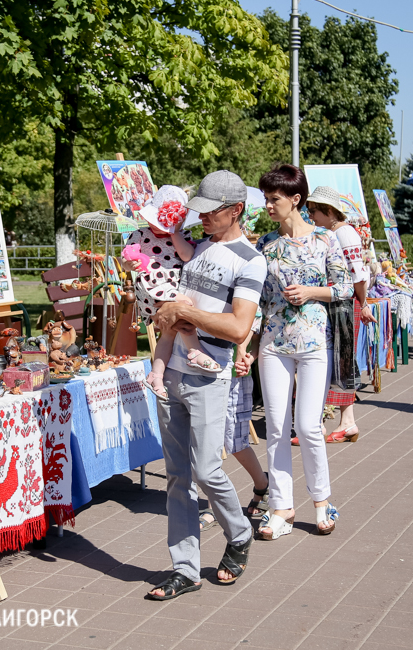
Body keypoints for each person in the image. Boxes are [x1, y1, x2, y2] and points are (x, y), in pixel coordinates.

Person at [147, 170, 266, 599]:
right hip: (175, 372)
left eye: (210, 212)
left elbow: (238, 327)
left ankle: (239, 532)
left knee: (206, 470)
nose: (202, 219)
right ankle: (185, 568)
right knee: (178, 477)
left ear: (235, 211)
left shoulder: (251, 261)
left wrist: (183, 313)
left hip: (209, 377)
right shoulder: (198, 248)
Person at [255, 164, 351, 541]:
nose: (267, 205)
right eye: (265, 198)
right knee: (276, 428)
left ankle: (321, 501)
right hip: (274, 343)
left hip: (314, 342)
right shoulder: (264, 244)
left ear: (296, 200)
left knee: (309, 426)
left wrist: (312, 292)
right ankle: (281, 508)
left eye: (273, 199)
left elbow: (345, 287)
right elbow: (258, 298)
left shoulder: (326, 240)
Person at [120, 185, 220, 400]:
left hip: (171, 286)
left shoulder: (180, 234)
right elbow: (125, 260)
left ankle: (156, 374)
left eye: (162, 223)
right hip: (151, 286)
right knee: (185, 306)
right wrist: (131, 264)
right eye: (153, 222)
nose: (155, 227)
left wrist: (174, 232)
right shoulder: (140, 234)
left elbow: (186, 255)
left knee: (169, 332)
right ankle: (195, 350)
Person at [305, 186, 375, 443]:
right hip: (338, 301)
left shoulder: (344, 233)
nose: (310, 215)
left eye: (313, 211)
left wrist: (363, 303)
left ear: (329, 211)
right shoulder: (331, 232)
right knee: (339, 359)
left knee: (339, 359)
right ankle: (345, 422)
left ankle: (327, 423)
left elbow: (357, 274)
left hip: (344, 303)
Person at [199, 330, 270, 531]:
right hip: (204, 373)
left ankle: (262, 484)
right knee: (209, 439)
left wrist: (249, 356)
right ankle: (214, 504)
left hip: (235, 377)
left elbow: (256, 337)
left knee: (236, 443)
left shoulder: (247, 300)